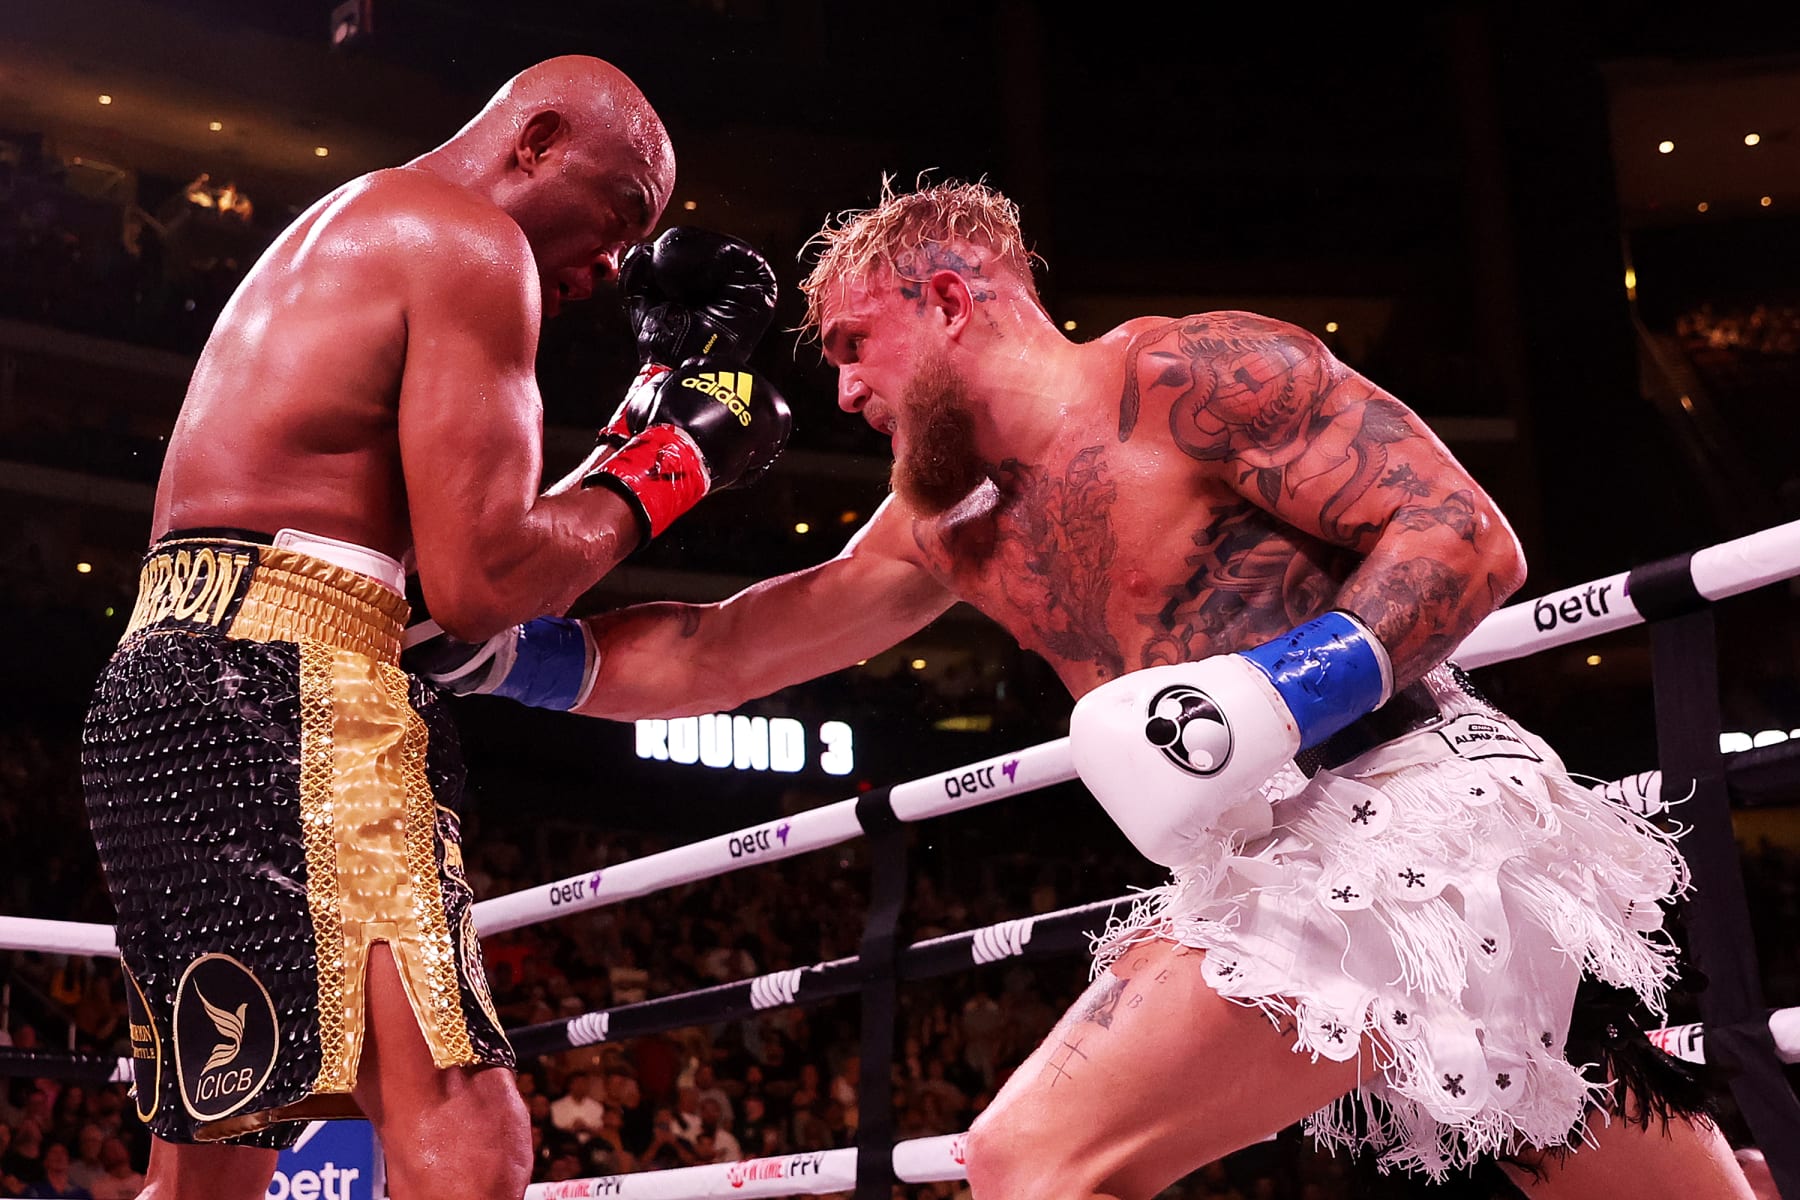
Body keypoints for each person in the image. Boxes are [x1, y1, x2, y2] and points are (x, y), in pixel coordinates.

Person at [423, 178, 1757, 1198]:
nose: (840, 390)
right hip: (1275, 862)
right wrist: (513, 656)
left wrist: (1282, 691)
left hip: (1416, 805)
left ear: (948, 297)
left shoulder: (1187, 377)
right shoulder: (943, 520)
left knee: (1031, 1160)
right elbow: (724, 653)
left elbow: (1464, 539)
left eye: (852, 345)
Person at [79, 55, 790, 1200]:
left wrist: (646, 410)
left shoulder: (354, 224)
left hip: (161, 693)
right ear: (538, 139)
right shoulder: (471, 241)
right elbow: (482, 580)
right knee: (468, 1138)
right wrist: (682, 460)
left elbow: (469, 530)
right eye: (619, 214)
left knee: (206, 1171)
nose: (614, 262)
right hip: (294, 688)